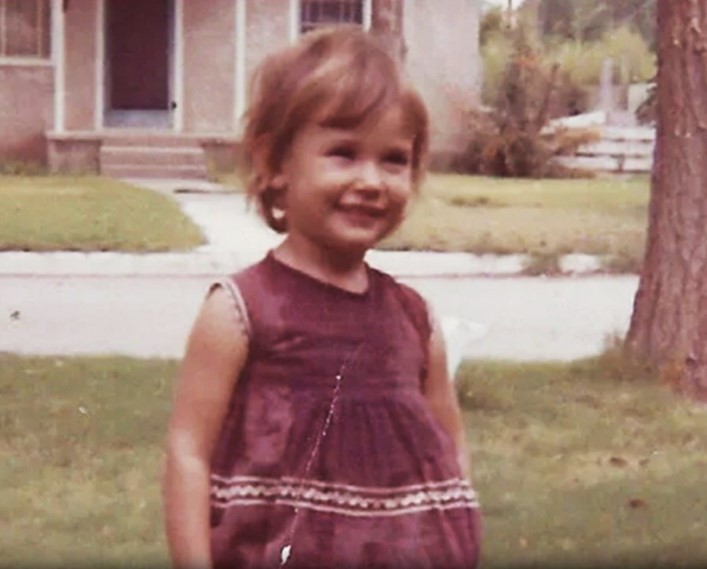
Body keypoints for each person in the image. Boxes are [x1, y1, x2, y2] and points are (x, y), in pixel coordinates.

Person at [162, 25, 481, 569]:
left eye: (394, 160)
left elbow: (449, 452)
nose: (371, 180)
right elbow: (188, 454)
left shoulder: (414, 319)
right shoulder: (239, 312)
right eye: (343, 153)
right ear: (275, 165)